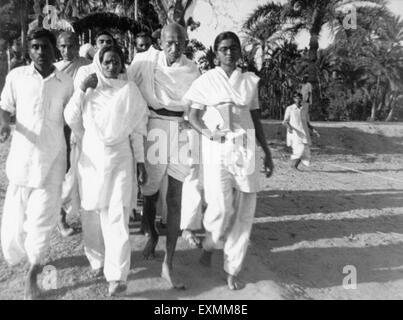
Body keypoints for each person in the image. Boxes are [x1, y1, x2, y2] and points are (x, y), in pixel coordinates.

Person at [185, 31, 274, 290]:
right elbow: (191, 115)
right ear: (216, 53)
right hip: (217, 149)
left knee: (245, 211)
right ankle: (210, 243)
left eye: (233, 47)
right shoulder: (206, 81)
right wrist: (207, 133)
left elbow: (256, 120)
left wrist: (267, 152)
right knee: (221, 207)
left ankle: (232, 268)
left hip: (245, 147)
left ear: (239, 51)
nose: (229, 52)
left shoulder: (248, 81)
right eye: (223, 48)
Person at [64, 44, 148, 296]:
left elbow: (138, 129)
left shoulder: (130, 91)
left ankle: (117, 275)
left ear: (123, 65)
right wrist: (81, 90)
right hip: (92, 157)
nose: (112, 66)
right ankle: (96, 260)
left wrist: (140, 162)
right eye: (107, 62)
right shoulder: (89, 88)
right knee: (91, 213)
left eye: (116, 62)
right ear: (100, 63)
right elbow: (71, 118)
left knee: (118, 214)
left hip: (121, 157)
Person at [0, 28, 74, 299]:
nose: (41, 52)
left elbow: (71, 120)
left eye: (45, 46)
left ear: (54, 49)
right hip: (21, 160)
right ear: (29, 50)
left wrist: (71, 156)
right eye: (35, 47)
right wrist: (3, 126)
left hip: (53, 159)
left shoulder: (66, 82)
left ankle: (33, 273)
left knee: (42, 222)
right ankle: (27, 258)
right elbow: (4, 107)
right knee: (14, 226)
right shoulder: (16, 76)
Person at [127, 22, 200, 289]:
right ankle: (152, 234)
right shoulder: (144, 62)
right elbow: (125, 87)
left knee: (176, 196)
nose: (174, 47)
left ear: (185, 42)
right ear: (160, 40)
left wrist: (194, 124)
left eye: (179, 42)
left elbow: (199, 103)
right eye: (169, 42)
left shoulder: (192, 69)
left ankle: (168, 263)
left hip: (181, 129)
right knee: (150, 191)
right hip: (154, 124)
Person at [55, 31, 91, 237]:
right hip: (61, 127)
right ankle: (60, 217)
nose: (67, 50)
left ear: (78, 45)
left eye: (71, 45)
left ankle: (88, 216)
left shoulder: (87, 66)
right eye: (62, 46)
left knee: (85, 173)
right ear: (58, 48)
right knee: (64, 173)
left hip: (85, 126)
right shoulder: (54, 70)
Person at [282, 92, 319, 170]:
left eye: (300, 98)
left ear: (302, 99)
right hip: (295, 133)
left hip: (304, 133)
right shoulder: (290, 108)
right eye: (296, 98)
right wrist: (289, 127)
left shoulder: (304, 109)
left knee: (305, 151)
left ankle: (294, 166)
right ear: (294, 99)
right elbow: (285, 121)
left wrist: (313, 130)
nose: (298, 100)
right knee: (299, 149)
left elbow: (307, 122)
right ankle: (292, 165)